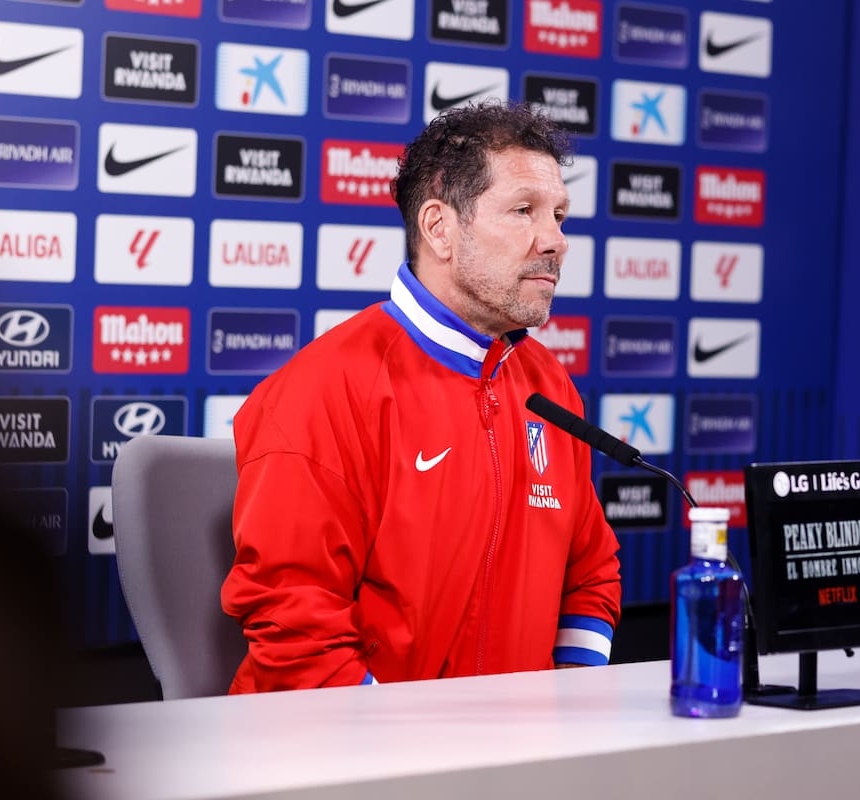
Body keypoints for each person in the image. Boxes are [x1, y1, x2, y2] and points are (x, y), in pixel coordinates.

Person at [220, 100, 622, 692]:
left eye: (560, 216)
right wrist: (397, 752)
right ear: (439, 228)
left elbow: (590, 570)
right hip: (350, 761)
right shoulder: (320, 390)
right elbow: (295, 624)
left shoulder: (549, 386)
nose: (555, 240)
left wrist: (568, 701)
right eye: (523, 211)